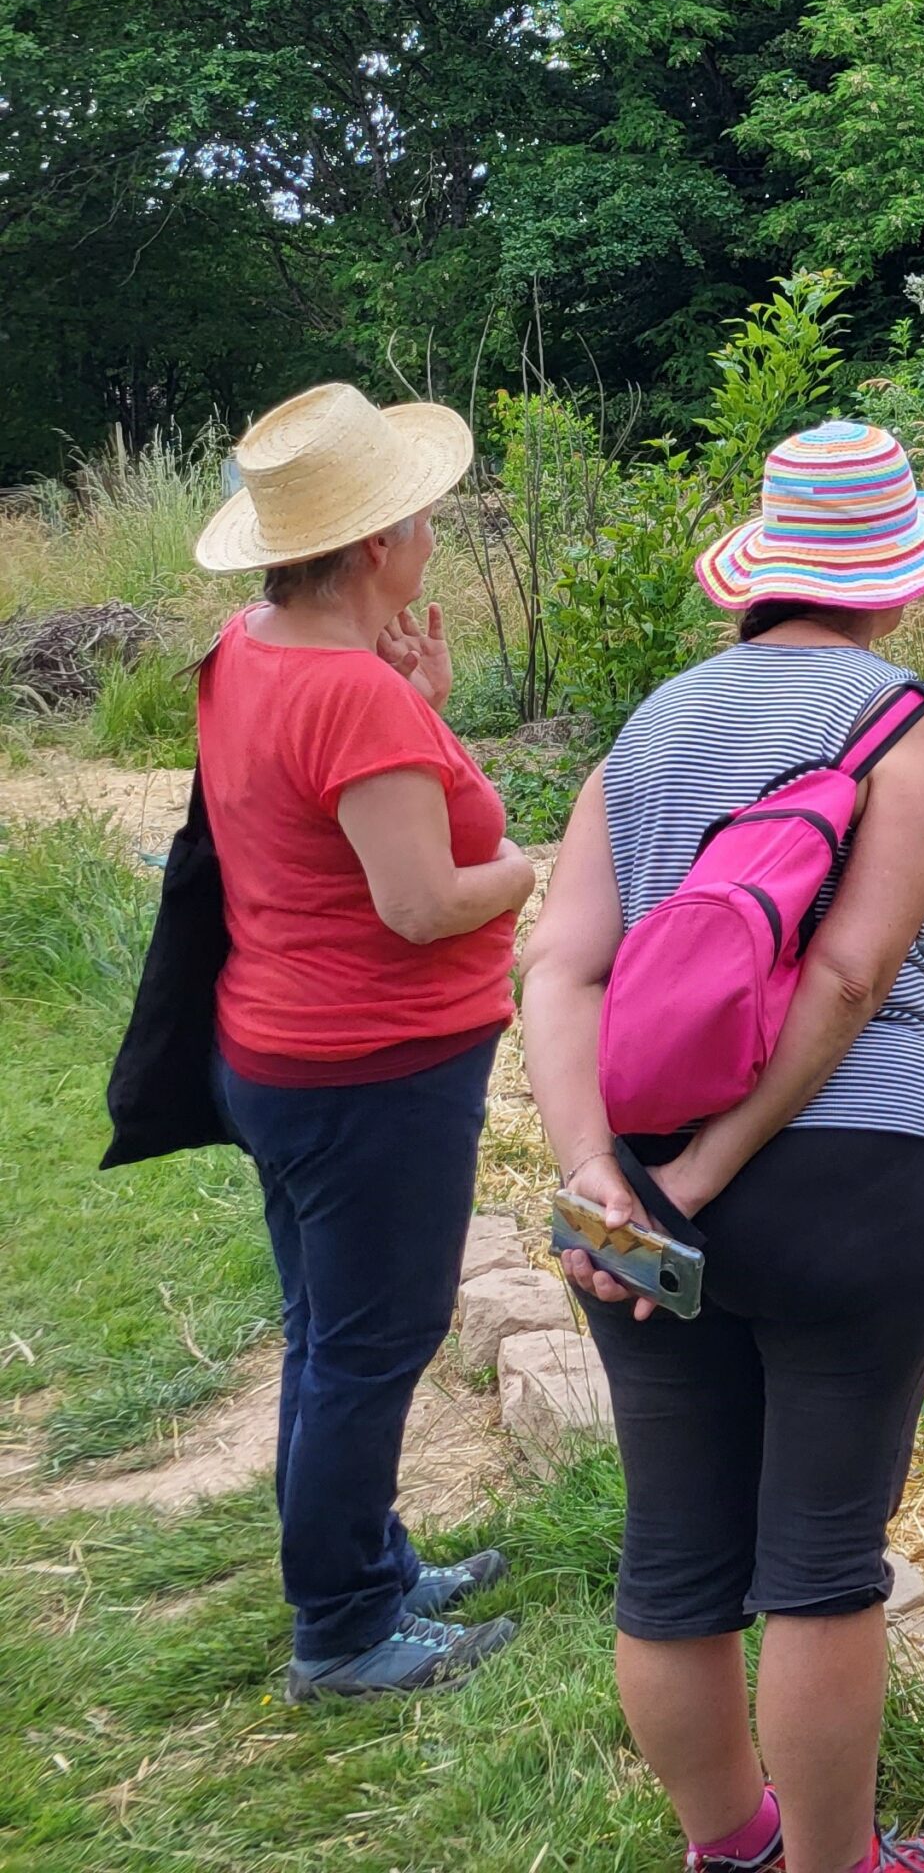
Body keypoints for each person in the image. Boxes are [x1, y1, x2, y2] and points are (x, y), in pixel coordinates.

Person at [520, 422, 924, 1873]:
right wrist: (709, 1173)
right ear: (898, 581)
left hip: (634, 1174)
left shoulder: (650, 725)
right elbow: (854, 977)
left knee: (674, 1557)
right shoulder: (912, 720)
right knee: (819, 1561)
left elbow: (558, 967)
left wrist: (599, 1175)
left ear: (761, 576)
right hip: (858, 1179)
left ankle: (730, 1847)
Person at [191, 381, 536, 1700]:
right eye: (420, 514)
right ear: (379, 545)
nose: (433, 529)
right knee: (371, 1343)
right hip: (372, 1068)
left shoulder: (249, 648)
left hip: (283, 1052)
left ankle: (368, 1566)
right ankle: (342, 1627)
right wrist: (523, 868)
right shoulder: (353, 696)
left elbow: (338, 831)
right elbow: (418, 901)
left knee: (328, 1331)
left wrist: (426, 707)